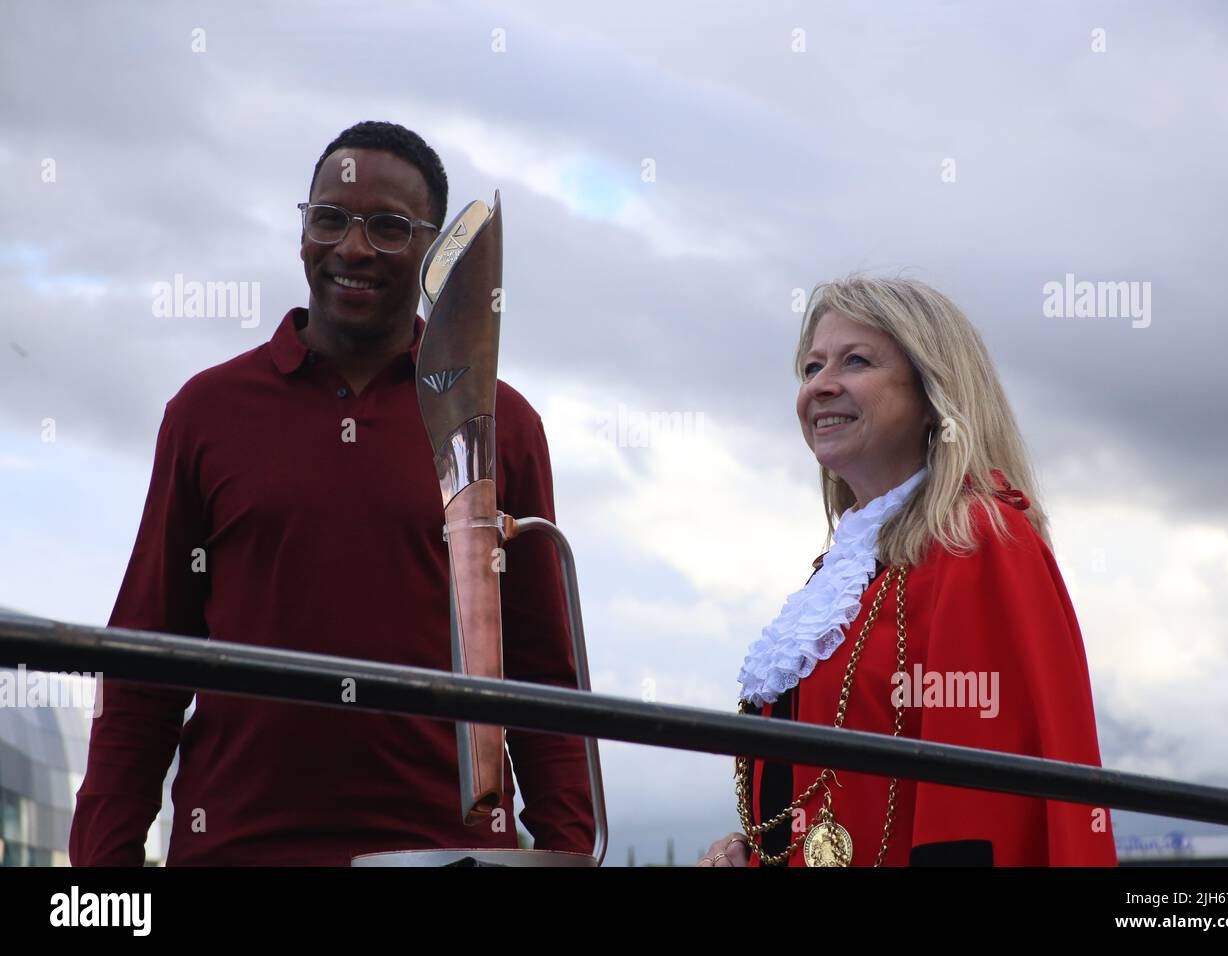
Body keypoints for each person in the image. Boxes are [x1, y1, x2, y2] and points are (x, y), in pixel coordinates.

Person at [70, 121, 595, 866]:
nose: (352, 247)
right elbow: (144, 669)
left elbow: (544, 676)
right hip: (238, 851)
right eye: (330, 219)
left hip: (447, 858)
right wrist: (101, 870)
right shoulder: (206, 413)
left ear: (434, 251)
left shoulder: (500, 423)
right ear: (303, 231)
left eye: (388, 227)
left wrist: (571, 850)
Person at [699, 275, 1116, 867]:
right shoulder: (843, 572)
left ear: (933, 396)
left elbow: (980, 807)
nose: (821, 385)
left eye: (856, 360)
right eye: (812, 367)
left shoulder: (978, 539)